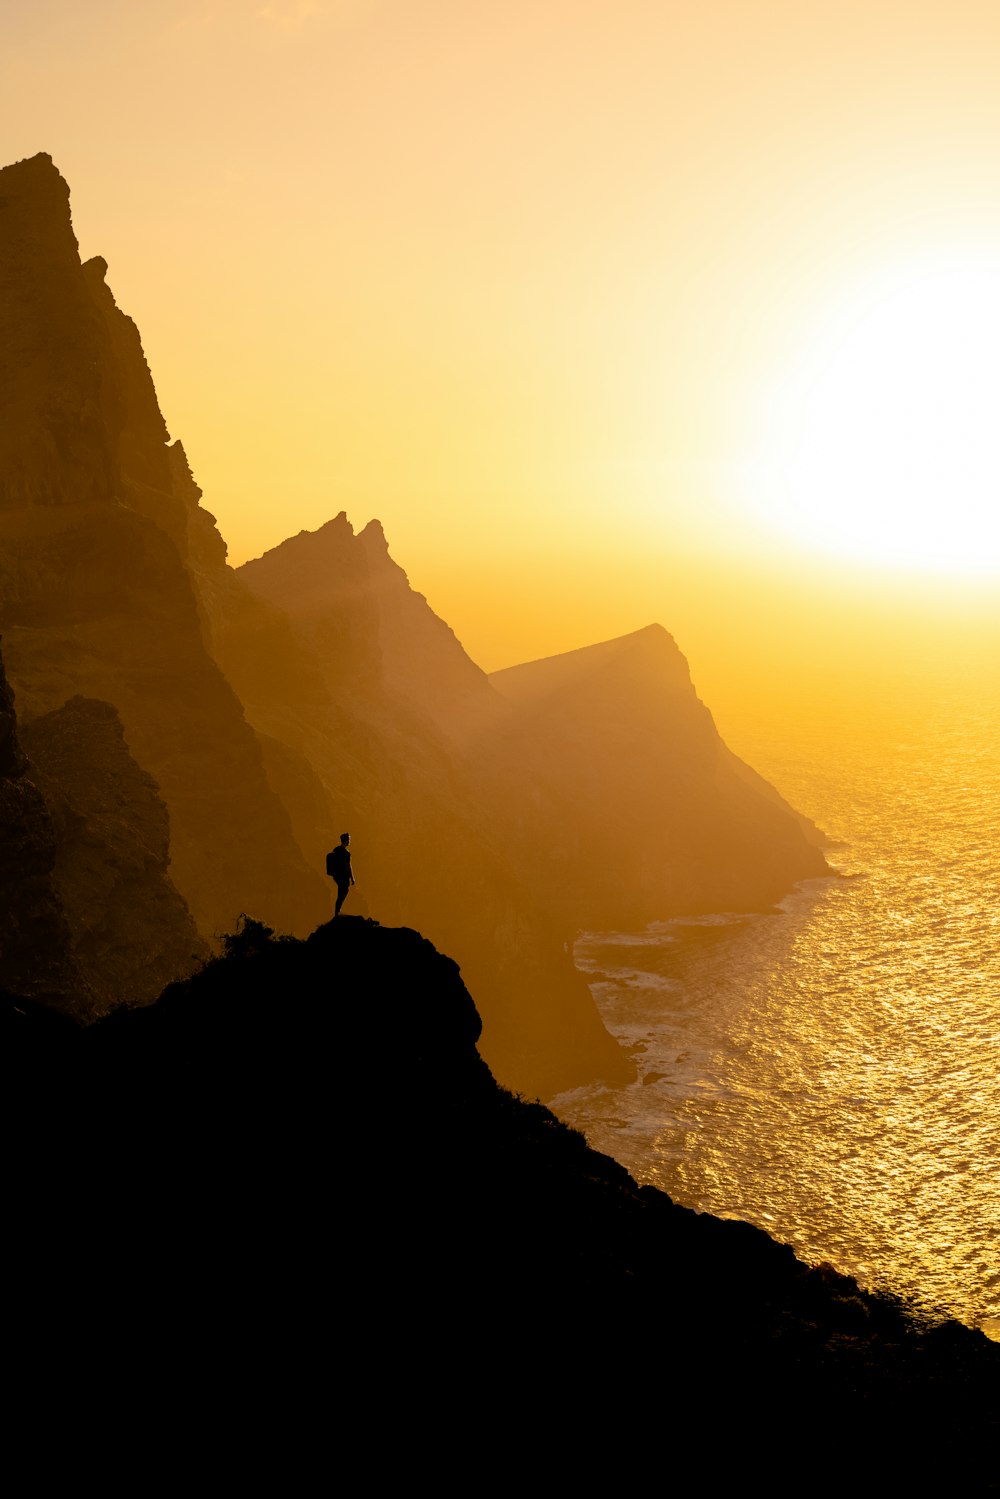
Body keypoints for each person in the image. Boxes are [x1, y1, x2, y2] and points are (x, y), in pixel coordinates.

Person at [327, 832, 355, 917]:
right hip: (344, 876)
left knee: (341, 892)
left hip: (337, 875)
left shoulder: (336, 849)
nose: (350, 841)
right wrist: (352, 878)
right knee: (344, 891)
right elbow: (348, 866)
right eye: (349, 839)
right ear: (346, 840)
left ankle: (337, 911)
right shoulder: (346, 853)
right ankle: (337, 912)